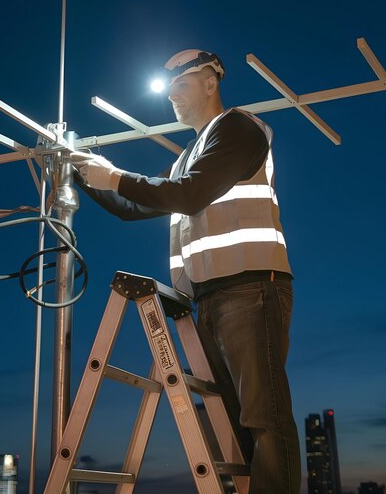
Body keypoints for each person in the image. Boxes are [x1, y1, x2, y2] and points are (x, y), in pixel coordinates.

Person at [70, 49, 301, 494]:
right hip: (210, 298)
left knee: (262, 416)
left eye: (180, 84)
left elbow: (189, 194)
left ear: (210, 82)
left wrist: (113, 175)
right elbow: (136, 204)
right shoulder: (187, 157)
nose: (171, 95)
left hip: (250, 288)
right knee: (233, 422)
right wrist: (85, 173)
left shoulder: (239, 128)